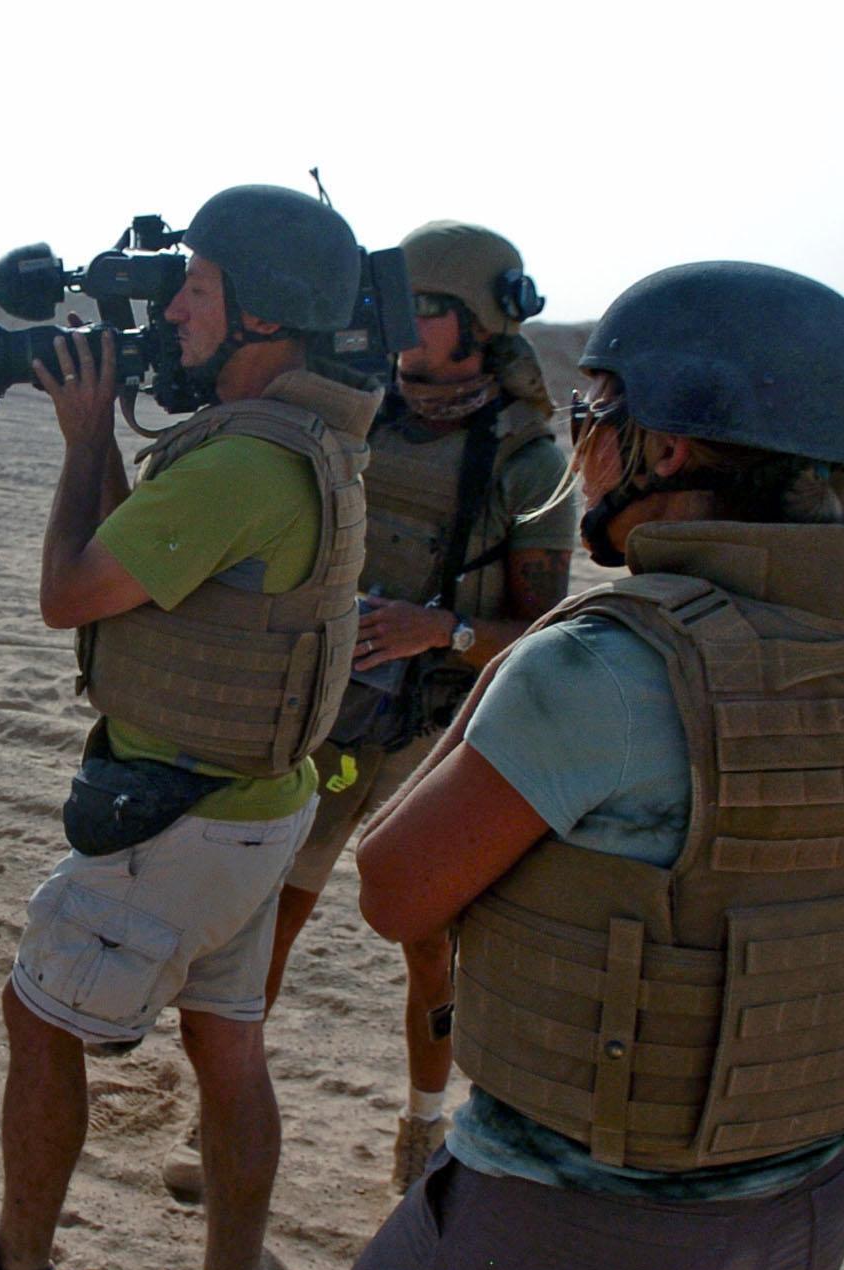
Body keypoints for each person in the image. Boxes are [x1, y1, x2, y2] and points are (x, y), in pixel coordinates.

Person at [263, 261, 844, 1270]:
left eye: (597, 419)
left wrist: (511, 666)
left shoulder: (611, 665)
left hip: (579, 1214)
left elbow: (395, 891)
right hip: (798, 1208)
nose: (581, 450)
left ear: (666, 444)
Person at [0, 185, 378, 1270]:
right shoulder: (309, 438)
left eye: (200, 292)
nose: (180, 314)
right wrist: (102, 432)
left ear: (261, 317)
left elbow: (70, 597)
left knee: (36, 1013)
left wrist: (82, 436)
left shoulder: (241, 464)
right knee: (230, 1045)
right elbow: (137, 574)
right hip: (260, 807)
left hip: (180, 818)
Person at [165, 222, 572, 1201]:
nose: (397, 327)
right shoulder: (363, 410)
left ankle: (425, 1130)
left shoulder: (526, 460)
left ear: (476, 326)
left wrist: (443, 631)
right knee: (272, 914)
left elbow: (544, 626)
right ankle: (217, 1117)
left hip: (437, 726)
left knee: (429, 945)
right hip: (333, 708)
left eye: (421, 309)